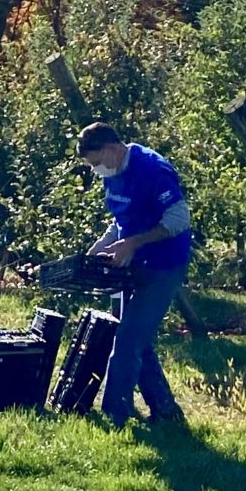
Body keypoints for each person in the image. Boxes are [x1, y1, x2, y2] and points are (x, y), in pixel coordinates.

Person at [77, 121, 192, 426]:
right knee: (134, 337)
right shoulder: (113, 172)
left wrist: (132, 243)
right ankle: (166, 411)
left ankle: (115, 416)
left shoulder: (153, 170)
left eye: (98, 162)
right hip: (128, 263)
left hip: (163, 264)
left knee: (128, 340)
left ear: (113, 149)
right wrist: (100, 247)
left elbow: (180, 218)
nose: (97, 170)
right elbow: (120, 221)